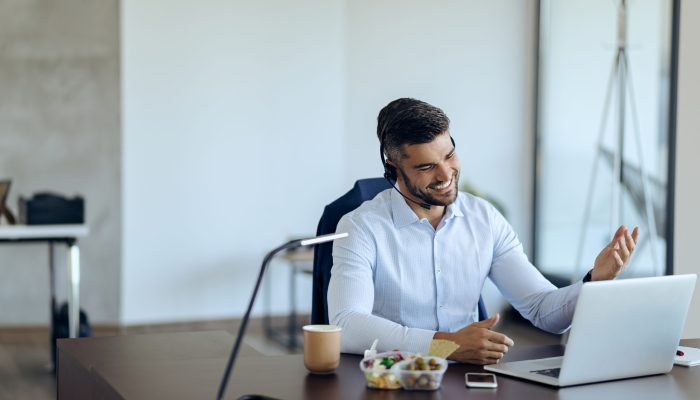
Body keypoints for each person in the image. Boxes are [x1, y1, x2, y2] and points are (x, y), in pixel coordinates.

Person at [327, 98, 639, 365]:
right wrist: (444, 345)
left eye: (449, 156)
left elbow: (544, 311)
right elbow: (346, 325)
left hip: (468, 382)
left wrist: (595, 281)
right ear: (392, 167)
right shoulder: (360, 227)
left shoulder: (484, 218)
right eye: (426, 167)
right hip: (392, 381)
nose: (446, 174)